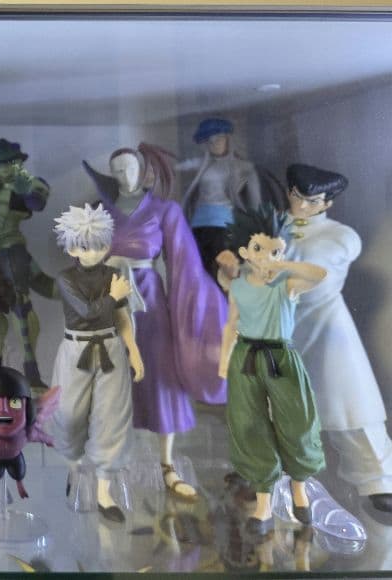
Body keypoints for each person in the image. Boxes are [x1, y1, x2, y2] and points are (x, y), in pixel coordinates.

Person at [217, 164, 392, 513]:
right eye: (296, 196)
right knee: (267, 407)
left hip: (326, 327)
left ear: (326, 203)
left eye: (311, 201)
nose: (301, 205)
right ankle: (261, 472)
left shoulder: (340, 237)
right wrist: (232, 271)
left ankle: (377, 478)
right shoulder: (267, 226)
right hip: (273, 329)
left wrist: (275, 267)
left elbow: (320, 278)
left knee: (350, 406)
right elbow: (246, 278)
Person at [85, 143, 228, 502]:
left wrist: (205, 303)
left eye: (130, 168)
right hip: (108, 292)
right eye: (117, 170)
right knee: (109, 373)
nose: (124, 175)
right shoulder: (99, 210)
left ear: (144, 170)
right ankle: (107, 462)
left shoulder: (165, 210)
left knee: (160, 373)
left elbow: (185, 262)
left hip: (148, 296)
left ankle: (167, 464)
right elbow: (81, 255)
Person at [219, 204, 327, 536]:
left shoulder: (287, 284)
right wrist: (224, 361)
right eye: (259, 249)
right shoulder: (238, 287)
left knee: (298, 421)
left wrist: (282, 264)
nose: (267, 256)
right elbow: (231, 324)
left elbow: (319, 274)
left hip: (282, 357)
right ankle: (264, 501)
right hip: (246, 356)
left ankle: (299, 487)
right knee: (249, 424)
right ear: (244, 252)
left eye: (275, 249)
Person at [47, 203, 143, 523]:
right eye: (86, 246)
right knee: (68, 413)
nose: (94, 252)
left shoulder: (114, 275)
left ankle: (104, 490)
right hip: (76, 350)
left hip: (110, 348)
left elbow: (121, 316)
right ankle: (75, 468)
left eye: (100, 245)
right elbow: (88, 312)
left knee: (111, 417)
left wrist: (134, 350)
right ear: (72, 248)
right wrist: (113, 296)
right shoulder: (66, 278)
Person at [0, 138, 55, 389]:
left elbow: (37, 202)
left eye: (10, 162)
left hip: (12, 250)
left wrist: (24, 185)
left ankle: (31, 370)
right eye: (0, 163)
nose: (5, 167)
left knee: (21, 307)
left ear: (18, 163)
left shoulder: (27, 186)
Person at [177, 118, 263, 279]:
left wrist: (256, 224)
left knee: (223, 268)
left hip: (223, 223)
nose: (214, 144)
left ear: (228, 139)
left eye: (219, 139)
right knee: (199, 268)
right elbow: (178, 167)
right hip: (199, 223)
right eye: (209, 141)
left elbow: (255, 202)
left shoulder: (242, 167)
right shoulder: (201, 164)